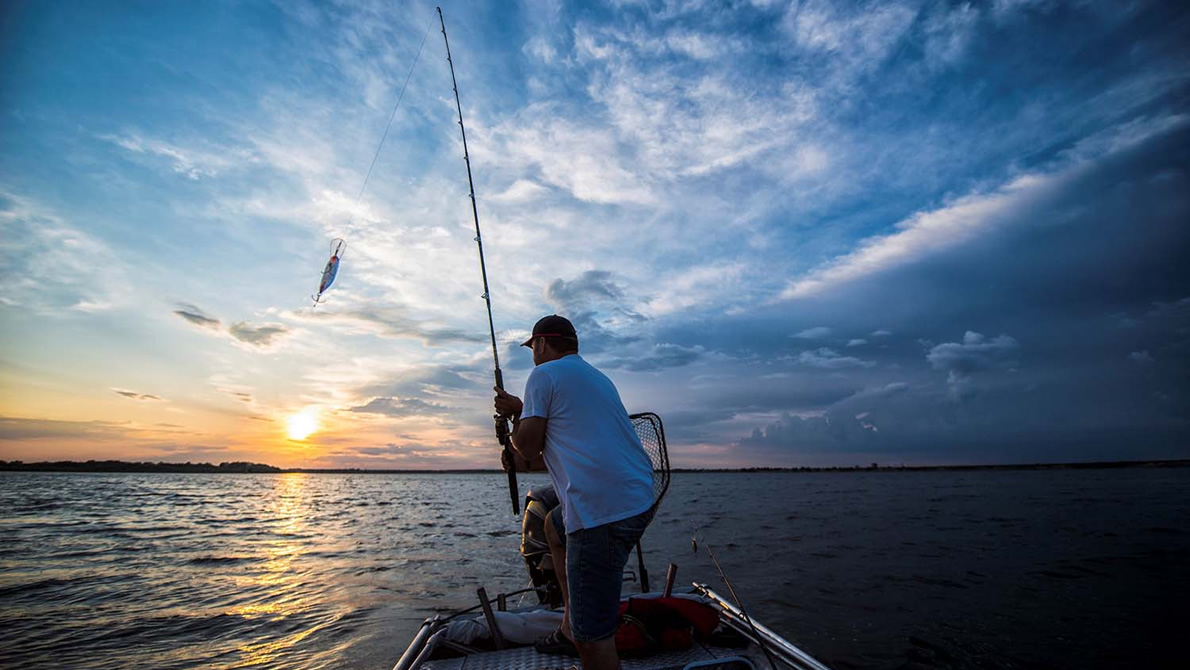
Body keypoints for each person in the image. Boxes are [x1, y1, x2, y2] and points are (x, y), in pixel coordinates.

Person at [493, 314, 655, 670]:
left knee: (592, 637)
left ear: (541, 343)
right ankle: (569, 624)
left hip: (602, 512)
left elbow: (529, 448)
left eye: (532, 347)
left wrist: (514, 419)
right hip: (639, 499)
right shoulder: (596, 378)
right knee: (553, 524)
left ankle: (581, 632)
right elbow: (558, 448)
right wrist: (523, 412)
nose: (532, 355)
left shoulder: (543, 375)